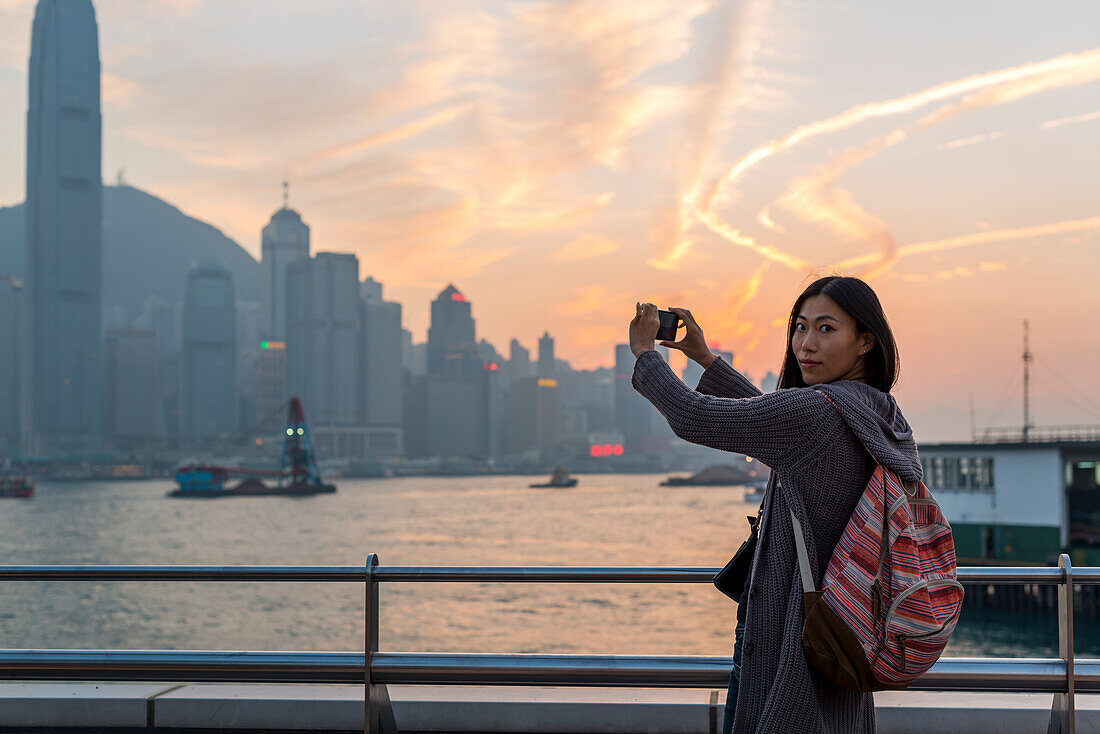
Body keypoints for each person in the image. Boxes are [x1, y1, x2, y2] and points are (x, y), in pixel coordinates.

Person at [629, 276, 922, 734]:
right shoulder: (878, 413)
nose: (806, 343)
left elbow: (692, 416)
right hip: (846, 629)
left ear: (866, 340)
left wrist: (646, 355)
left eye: (826, 329)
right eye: (800, 327)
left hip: (790, 638)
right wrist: (706, 360)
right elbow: (773, 422)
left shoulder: (817, 412)